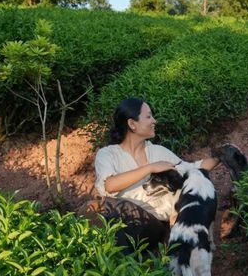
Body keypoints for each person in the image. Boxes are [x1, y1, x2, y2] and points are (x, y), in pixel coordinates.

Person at [93, 97, 220, 253]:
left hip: (152, 225)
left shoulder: (158, 152)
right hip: (122, 220)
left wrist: (221, 156)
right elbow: (110, 185)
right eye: (148, 116)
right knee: (106, 207)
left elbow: (192, 168)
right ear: (132, 124)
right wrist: (150, 168)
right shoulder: (107, 154)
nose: (154, 121)